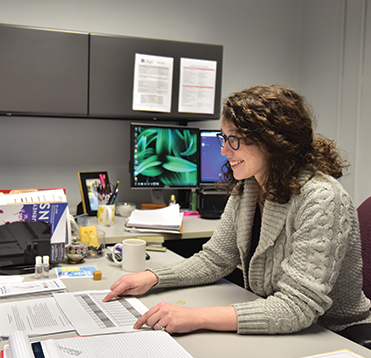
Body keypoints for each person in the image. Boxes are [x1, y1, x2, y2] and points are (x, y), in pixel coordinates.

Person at [103, 84, 371, 338]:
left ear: (273, 142)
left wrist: (196, 317)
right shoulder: (249, 188)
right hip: (279, 323)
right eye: (224, 138)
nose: (223, 150)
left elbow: (297, 306)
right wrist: (153, 277)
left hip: (333, 336)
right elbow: (215, 259)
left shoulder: (322, 198)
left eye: (234, 140)